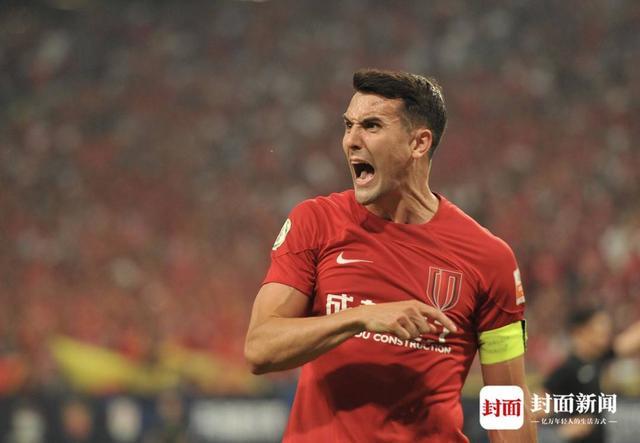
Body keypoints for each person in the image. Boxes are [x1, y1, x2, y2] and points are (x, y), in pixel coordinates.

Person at [244, 69, 537, 442]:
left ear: (419, 143)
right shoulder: (316, 222)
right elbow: (260, 348)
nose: (351, 141)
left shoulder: (489, 258)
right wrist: (361, 317)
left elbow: (507, 398)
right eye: (348, 126)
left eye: (371, 126)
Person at [544, 306, 640, 443]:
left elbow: (629, 341)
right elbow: (535, 409)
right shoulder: (567, 369)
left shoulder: (598, 360)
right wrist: (558, 431)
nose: (606, 331)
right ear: (580, 331)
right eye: (600, 325)